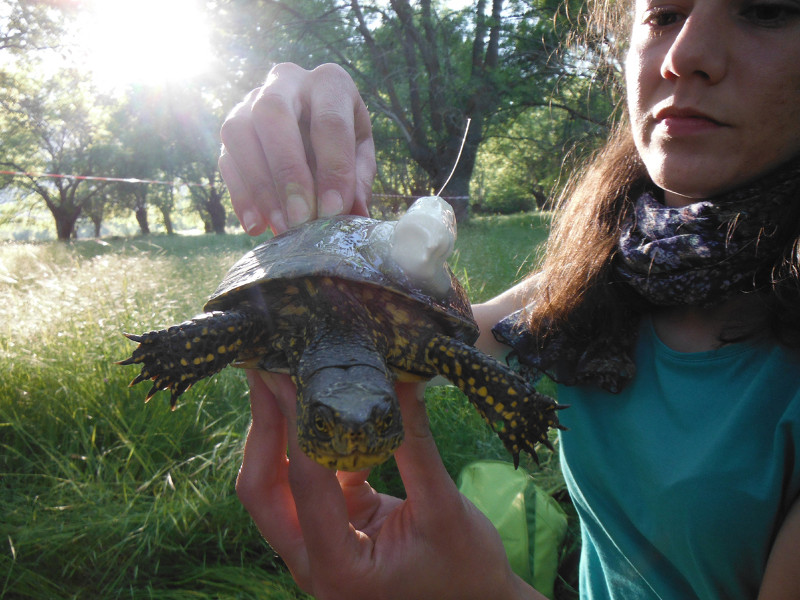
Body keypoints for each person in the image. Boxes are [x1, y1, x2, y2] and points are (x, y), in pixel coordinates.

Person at [217, 0, 800, 596]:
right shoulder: (612, 267)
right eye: (664, 13)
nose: (684, 56)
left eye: (766, 10)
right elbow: (445, 346)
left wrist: (481, 589)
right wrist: (330, 206)